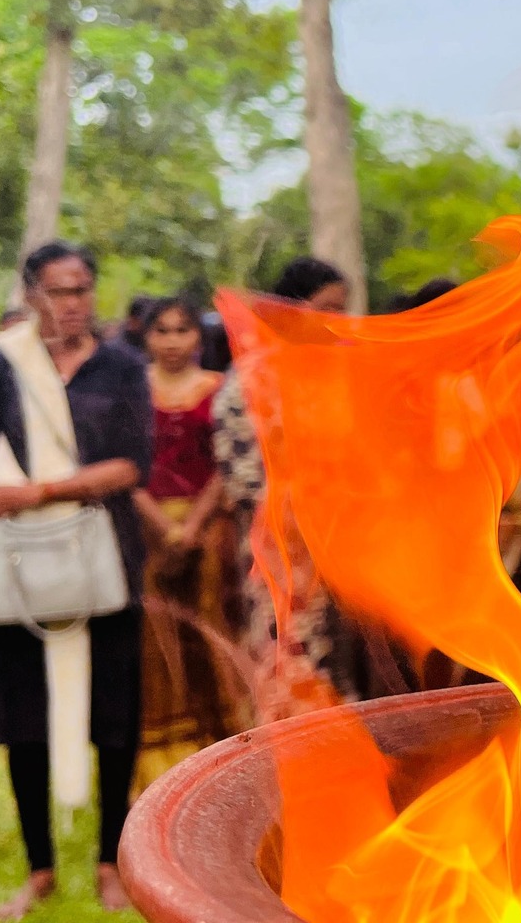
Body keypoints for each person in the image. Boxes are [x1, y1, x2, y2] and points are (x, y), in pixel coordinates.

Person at [0, 242, 152, 919]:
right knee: (23, 719)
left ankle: (110, 859)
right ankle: (39, 868)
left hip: (105, 560)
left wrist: (42, 489)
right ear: (31, 294)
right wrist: (0, 489)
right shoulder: (2, 362)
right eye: (57, 291)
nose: (72, 304)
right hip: (21, 565)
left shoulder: (122, 365)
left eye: (81, 290)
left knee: (115, 718)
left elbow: (133, 465)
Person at [214, 256, 365, 717]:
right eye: (326, 309)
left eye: (342, 309)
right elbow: (245, 483)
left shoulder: (336, 376)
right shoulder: (250, 381)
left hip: (344, 553)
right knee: (291, 660)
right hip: (282, 559)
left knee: (344, 670)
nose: (336, 322)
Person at [132, 297, 248, 794]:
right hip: (146, 530)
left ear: (198, 339)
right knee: (155, 644)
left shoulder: (218, 389)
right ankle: (163, 771)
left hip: (212, 534)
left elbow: (229, 462)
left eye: (182, 330)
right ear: (147, 337)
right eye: (162, 330)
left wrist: (194, 525)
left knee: (212, 635)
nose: (173, 341)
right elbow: (123, 462)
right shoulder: (133, 392)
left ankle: (228, 755)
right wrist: (161, 524)